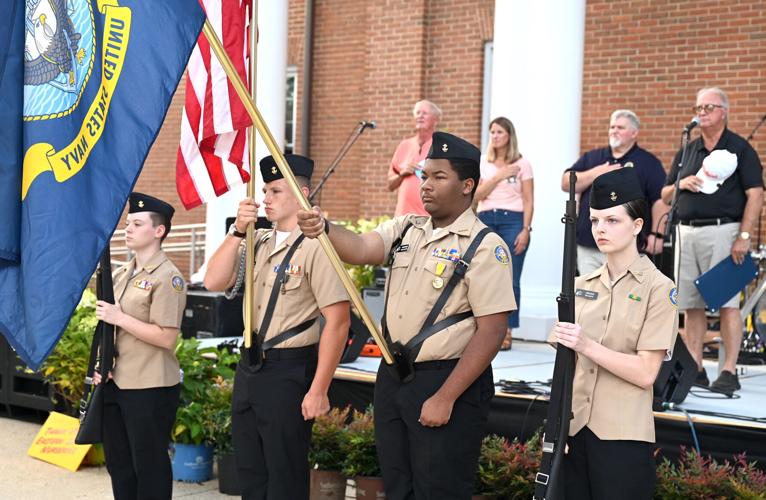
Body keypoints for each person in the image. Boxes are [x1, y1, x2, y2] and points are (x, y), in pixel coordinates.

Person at [298, 131, 516, 499]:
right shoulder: (407, 229)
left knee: (439, 489)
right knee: (398, 486)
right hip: (395, 378)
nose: (426, 186)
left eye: (438, 177)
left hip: (447, 380)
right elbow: (363, 247)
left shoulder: (484, 246)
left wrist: (446, 397)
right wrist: (325, 228)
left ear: (467, 186)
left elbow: (492, 331)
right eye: (424, 176)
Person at [203, 154, 350, 499]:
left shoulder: (317, 246)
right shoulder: (257, 240)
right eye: (264, 190)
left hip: (289, 371)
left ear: (302, 193)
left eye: (275, 191)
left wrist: (319, 389)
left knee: (284, 476)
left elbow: (339, 322)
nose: (265, 198)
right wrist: (237, 230)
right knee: (250, 473)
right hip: (250, 368)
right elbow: (212, 280)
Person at [552, 168, 678, 499]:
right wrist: (557, 427)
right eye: (594, 221)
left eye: (612, 220)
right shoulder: (579, 286)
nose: (600, 229)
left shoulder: (659, 289)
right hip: (575, 430)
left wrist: (587, 344)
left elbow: (646, 372)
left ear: (637, 226)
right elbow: (566, 370)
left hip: (622, 437)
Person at [661, 87, 764, 394]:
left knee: (727, 303)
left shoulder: (739, 149)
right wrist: (684, 184)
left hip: (723, 232)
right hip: (686, 231)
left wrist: (744, 236)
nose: (701, 112)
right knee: (691, 305)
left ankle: (728, 371)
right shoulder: (688, 150)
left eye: (708, 107)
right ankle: (695, 368)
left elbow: (755, 194)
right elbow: (666, 194)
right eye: (698, 107)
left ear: (723, 112)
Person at [94, 193, 187, 500]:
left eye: (136, 223)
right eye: (127, 223)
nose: (127, 229)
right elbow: (109, 330)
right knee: (120, 467)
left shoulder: (168, 277)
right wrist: (101, 366)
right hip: (116, 382)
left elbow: (166, 337)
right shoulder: (122, 273)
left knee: (149, 468)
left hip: (149, 386)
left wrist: (119, 317)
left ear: (158, 231)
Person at [563, 109, 668, 274]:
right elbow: (566, 183)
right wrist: (595, 173)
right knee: (592, 296)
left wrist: (657, 234)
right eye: (612, 127)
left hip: (628, 245)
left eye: (620, 128)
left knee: (625, 296)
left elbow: (660, 200)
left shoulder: (648, 162)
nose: (614, 131)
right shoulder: (593, 157)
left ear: (634, 133)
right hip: (589, 244)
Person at [475, 116, 534, 350]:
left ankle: (506, 331)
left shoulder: (523, 163)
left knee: (511, 278)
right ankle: (484, 330)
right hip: (487, 218)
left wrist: (526, 229)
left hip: (513, 221)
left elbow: (529, 200)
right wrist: (499, 175)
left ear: (509, 135)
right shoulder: (483, 162)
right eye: (492, 132)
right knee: (485, 277)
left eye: (499, 132)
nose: (495, 136)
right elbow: (477, 195)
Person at [387, 100, 442, 216]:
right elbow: (390, 185)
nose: (420, 116)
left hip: (429, 220)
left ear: (436, 119)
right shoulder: (404, 146)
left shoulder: (441, 147)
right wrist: (402, 174)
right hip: (403, 219)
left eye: (424, 113)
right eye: (417, 113)